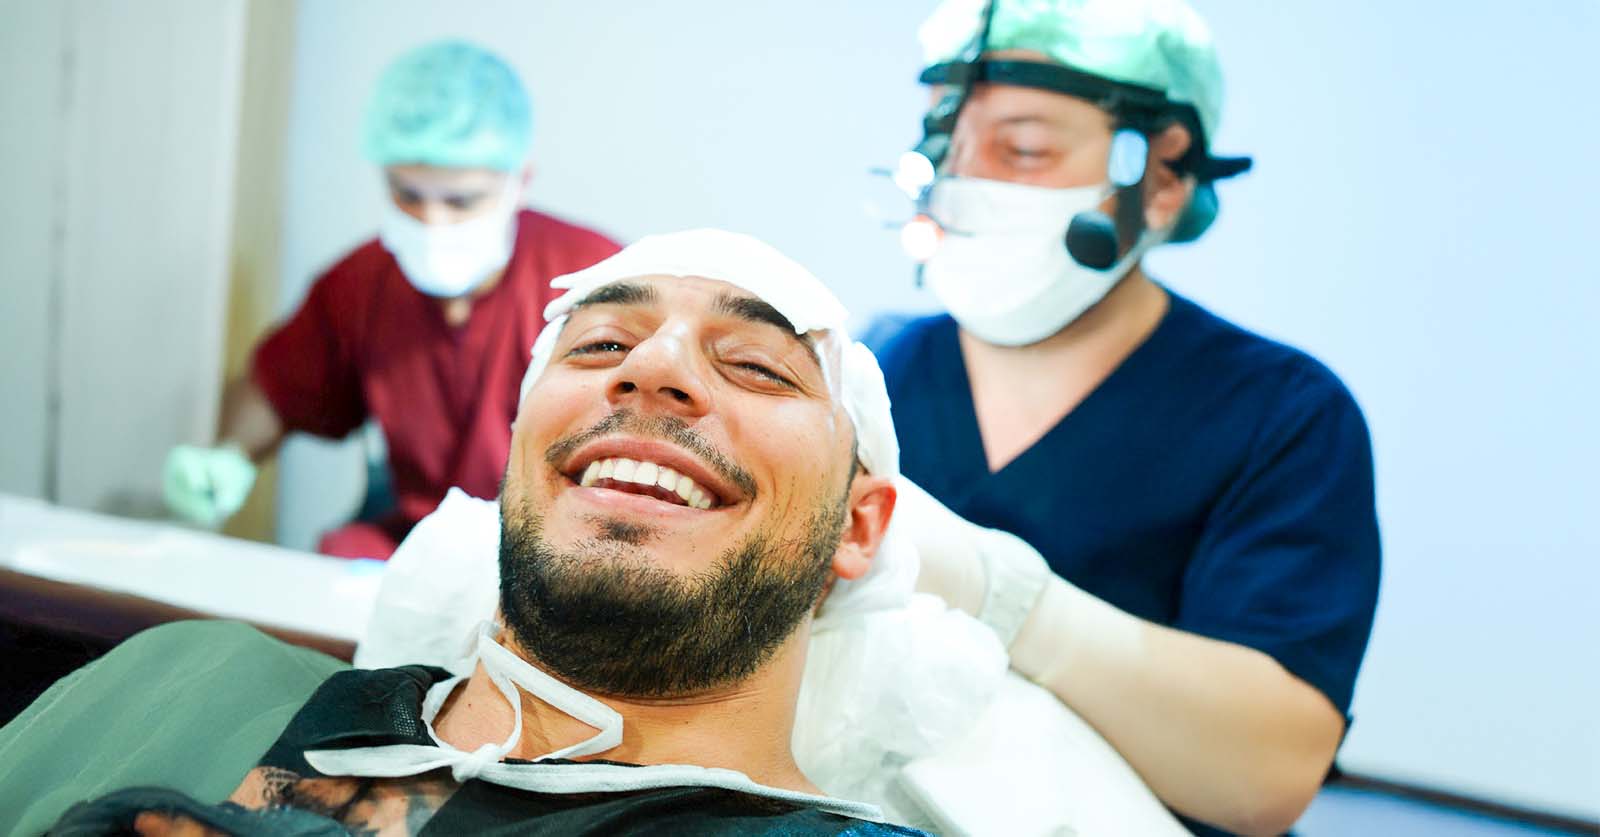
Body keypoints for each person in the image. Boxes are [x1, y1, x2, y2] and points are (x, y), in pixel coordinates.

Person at [3, 231, 925, 835]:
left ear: (856, 524)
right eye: (599, 343)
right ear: (522, 452)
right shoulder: (186, 678)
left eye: (758, 365)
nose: (651, 366)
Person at [867, 1, 1381, 834]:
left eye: (1024, 149)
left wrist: (1004, 599)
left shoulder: (1281, 416)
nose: (965, 183)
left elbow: (1267, 772)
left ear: (1165, 177)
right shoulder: (876, 368)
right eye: (944, 142)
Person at [161, 40, 620, 559]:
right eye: (409, 195)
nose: (432, 221)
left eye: (461, 200)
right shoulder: (362, 283)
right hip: (412, 551)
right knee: (344, 553)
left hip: (554, 556)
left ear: (520, 181)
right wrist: (228, 457)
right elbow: (280, 388)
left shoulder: (593, 281)